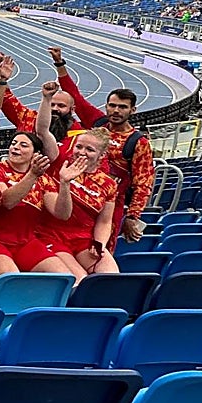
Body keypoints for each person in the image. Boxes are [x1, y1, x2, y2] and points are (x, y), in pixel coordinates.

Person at [49, 46, 154, 246]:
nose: (116, 110)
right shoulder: (97, 122)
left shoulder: (138, 142)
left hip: (110, 204)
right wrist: (59, 64)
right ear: (106, 106)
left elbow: (143, 183)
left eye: (122, 107)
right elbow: (75, 97)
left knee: (101, 248)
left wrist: (132, 216)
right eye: (112, 105)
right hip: (78, 195)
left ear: (132, 110)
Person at [36, 86, 120, 282]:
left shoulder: (107, 184)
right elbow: (42, 131)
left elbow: (105, 221)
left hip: (83, 239)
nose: (82, 152)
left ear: (101, 156)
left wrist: (99, 244)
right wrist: (47, 99)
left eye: (89, 149)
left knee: (111, 279)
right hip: (52, 236)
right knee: (79, 280)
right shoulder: (58, 164)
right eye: (79, 146)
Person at [0, 131, 71, 274]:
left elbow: (62, 214)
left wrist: (65, 184)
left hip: (25, 242)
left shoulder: (44, 179)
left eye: (23, 145)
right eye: (13, 143)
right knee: (12, 277)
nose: (15, 147)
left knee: (64, 276)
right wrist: (32, 175)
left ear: (35, 153)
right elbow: (7, 202)